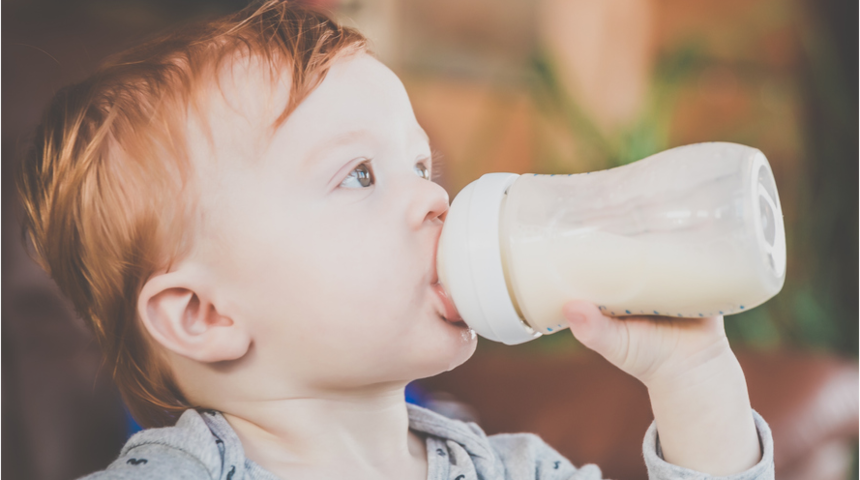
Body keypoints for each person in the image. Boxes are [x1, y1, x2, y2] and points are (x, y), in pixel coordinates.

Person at [16, 1, 774, 478]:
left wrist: (693, 374)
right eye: (359, 176)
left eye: (421, 166)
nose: (435, 197)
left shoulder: (513, 469)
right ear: (204, 314)